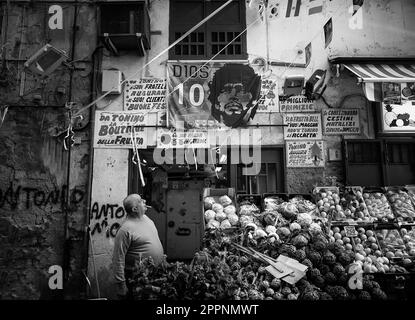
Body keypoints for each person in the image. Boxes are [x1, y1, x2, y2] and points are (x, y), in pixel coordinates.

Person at [112, 194, 164, 299]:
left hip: (155, 273)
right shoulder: (125, 229)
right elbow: (118, 258)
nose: (144, 200)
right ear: (135, 209)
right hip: (137, 277)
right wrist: (121, 284)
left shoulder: (146, 218)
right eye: (140, 200)